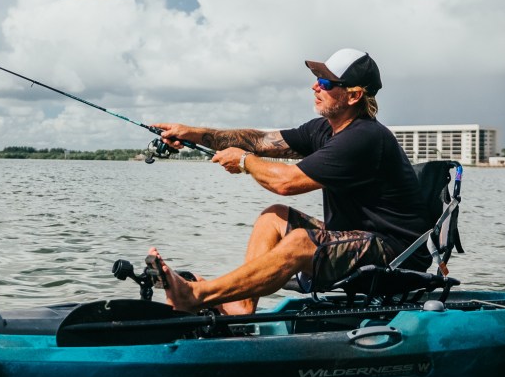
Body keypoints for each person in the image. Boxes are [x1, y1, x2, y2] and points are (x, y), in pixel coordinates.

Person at [150, 48, 430, 316]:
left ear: (354, 95)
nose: (315, 87)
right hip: (356, 238)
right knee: (273, 217)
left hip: (395, 253)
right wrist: (193, 134)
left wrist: (245, 162)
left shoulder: (364, 138)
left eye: (325, 82)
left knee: (300, 242)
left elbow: (286, 182)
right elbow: (260, 141)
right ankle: (242, 305)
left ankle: (197, 295)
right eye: (316, 80)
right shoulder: (323, 129)